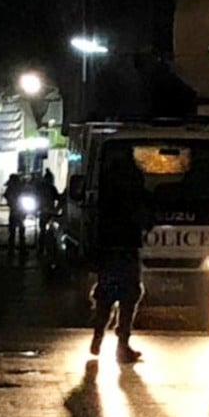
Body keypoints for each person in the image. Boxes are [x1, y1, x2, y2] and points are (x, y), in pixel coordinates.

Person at [89, 149, 151, 363]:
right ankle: (122, 345)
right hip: (127, 247)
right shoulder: (134, 184)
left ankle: (98, 336)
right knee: (129, 296)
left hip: (107, 248)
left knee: (105, 295)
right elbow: (144, 215)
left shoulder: (105, 185)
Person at [36, 169, 61, 255]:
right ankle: (50, 250)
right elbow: (58, 197)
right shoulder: (51, 188)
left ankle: (41, 249)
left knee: (43, 231)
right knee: (50, 232)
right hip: (50, 212)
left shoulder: (41, 188)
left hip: (44, 212)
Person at [3, 173, 26, 253]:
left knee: (13, 231)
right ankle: (21, 249)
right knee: (21, 230)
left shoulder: (11, 188)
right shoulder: (21, 188)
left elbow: (6, 196)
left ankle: (11, 249)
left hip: (15, 211)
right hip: (19, 211)